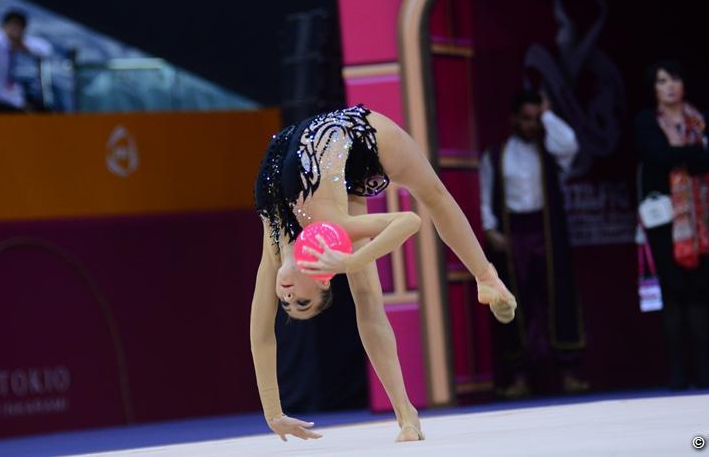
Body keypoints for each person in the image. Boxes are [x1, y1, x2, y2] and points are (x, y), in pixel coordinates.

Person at [251, 105, 516, 443]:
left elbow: (261, 331)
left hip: (335, 142)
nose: (286, 296)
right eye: (300, 302)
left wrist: (272, 412)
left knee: (422, 204)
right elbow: (410, 220)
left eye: (285, 302)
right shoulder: (336, 227)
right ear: (321, 278)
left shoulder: (275, 244)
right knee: (426, 204)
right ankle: (408, 415)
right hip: (366, 140)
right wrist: (350, 262)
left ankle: (486, 278)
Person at [480, 89, 587, 397]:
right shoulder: (496, 155)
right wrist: (491, 230)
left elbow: (570, 144)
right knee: (514, 303)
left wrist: (548, 113)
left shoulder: (551, 151)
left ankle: (569, 372)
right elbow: (485, 196)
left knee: (557, 299)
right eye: (526, 119)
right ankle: (519, 378)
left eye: (535, 119)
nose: (531, 125)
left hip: (547, 232)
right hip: (514, 235)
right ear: (514, 119)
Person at [634, 60, 709, 390]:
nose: (670, 85)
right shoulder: (647, 122)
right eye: (662, 80)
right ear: (654, 89)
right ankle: (677, 373)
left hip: (701, 219)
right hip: (664, 220)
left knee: (700, 292)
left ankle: (705, 372)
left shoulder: (702, 120)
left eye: (675, 78)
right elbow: (658, 156)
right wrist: (692, 154)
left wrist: (682, 154)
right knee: (673, 293)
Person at [0, 9, 50, 112]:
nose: (16, 31)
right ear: (4, 26)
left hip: (7, 96)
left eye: (20, 28)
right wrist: (20, 104)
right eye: (13, 27)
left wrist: (24, 46)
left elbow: (46, 50)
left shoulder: (11, 42)